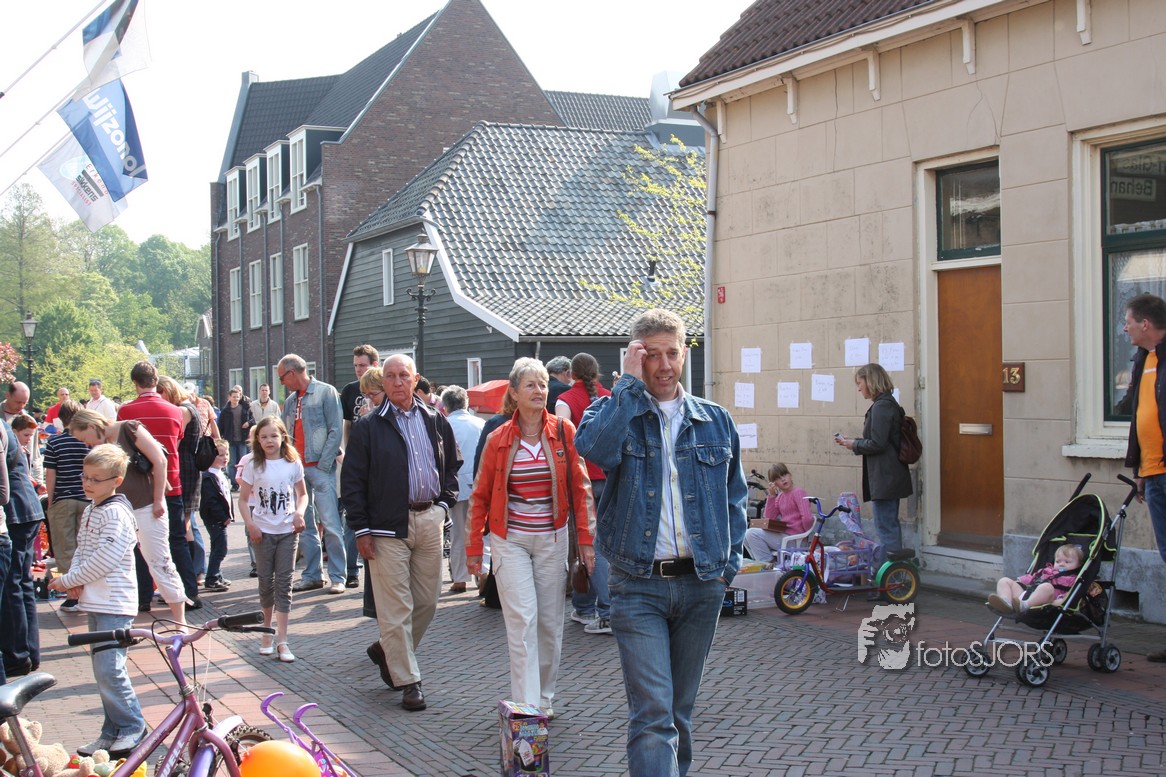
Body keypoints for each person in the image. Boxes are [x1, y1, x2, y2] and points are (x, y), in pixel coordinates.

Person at [574, 308, 747, 777]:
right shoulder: (611, 412)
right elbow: (596, 451)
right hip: (638, 585)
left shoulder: (715, 420)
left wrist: (727, 567)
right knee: (653, 714)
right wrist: (628, 387)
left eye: (673, 353)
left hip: (701, 585)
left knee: (678, 714)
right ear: (635, 356)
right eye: (652, 355)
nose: (665, 365)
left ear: (684, 353)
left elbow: (735, 497)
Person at [467, 358, 596, 718]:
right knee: (523, 621)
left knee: (550, 623)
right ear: (514, 393)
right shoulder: (497, 439)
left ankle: (545, 697)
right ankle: (527, 707)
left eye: (542, 384)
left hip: (552, 539)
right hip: (510, 540)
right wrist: (474, 547)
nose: (539, 390)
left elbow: (581, 488)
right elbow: (480, 495)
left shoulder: (564, 431)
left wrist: (586, 540)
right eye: (530, 385)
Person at [341, 353, 460, 712]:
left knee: (427, 601)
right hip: (384, 527)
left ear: (415, 378)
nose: (396, 382)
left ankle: (386, 650)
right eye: (390, 376)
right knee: (395, 608)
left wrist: (443, 506)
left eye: (403, 375)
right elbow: (352, 481)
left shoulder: (435, 420)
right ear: (383, 381)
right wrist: (361, 529)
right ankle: (409, 681)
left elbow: (452, 467)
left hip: (429, 519)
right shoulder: (368, 427)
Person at [47, 444, 145, 757]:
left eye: (95, 479)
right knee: (103, 671)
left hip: (115, 602)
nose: (87, 483)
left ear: (116, 481)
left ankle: (132, 726)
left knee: (110, 669)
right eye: (85, 477)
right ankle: (111, 731)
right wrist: (74, 579)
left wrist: (69, 581)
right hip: (98, 600)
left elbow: (105, 558)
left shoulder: (116, 513)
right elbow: (83, 550)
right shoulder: (93, 508)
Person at [68, 408, 186, 623]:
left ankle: (180, 621)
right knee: (121, 563)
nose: (87, 444)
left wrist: (159, 499)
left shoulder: (129, 428)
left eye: (85, 438)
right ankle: (121, 615)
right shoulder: (101, 445)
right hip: (117, 511)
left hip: (146, 506)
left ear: (92, 426)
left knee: (160, 562)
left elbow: (160, 460)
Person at [118, 363, 201, 609]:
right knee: (177, 540)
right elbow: (175, 444)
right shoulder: (176, 412)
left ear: (135, 383)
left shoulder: (125, 411)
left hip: (138, 486)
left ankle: (142, 597)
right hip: (170, 483)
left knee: (137, 542)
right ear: (156, 381)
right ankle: (189, 592)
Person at [239, 416, 307, 663]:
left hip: (287, 531)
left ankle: (283, 639)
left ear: (283, 437)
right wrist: (251, 524)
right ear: (257, 440)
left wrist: (299, 513)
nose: (269, 441)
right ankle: (266, 633)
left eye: (274, 436)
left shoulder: (292, 462)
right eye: (264, 436)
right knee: (266, 582)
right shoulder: (253, 465)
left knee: (284, 584)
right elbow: (243, 500)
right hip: (263, 531)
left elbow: (302, 494)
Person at [555, 352, 614, 635]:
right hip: (610, 478)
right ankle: (583, 605)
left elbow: (561, 440)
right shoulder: (610, 397)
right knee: (599, 545)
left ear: (571, 374)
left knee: (590, 545)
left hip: (583, 481)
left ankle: (607, 611)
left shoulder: (565, 401)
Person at [278, 354, 346, 595]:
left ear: (292, 373)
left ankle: (337, 576)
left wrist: (324, 465)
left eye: (282, 378)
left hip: (319, 467)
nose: (282, 383)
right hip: (298, 470)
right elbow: (285, 435)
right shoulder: (290, 401)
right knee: (304, 524)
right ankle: (313, 575)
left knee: (331, 523)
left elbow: (336, 429)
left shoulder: (326, 392)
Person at [1122, 292, 1166, 662]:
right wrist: (1139, 470)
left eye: (1129, 321)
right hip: (1153, 475)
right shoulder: (1143, 359)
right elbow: (1140, 415)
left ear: (1145, 324)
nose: (1125, 328)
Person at [834, 363, 912, 566]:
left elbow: (878, 443)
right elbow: (879, 439)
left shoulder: (882, 406)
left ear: (870, 381)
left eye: (860, 383)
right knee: (887, 525)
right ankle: (892, 573)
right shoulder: (885, 404)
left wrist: (854, 444)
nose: (859, 388)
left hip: (886, 476)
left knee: (886, 527)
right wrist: (854, 442)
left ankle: (890, 575)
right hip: (887, 475)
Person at [2, 416, 45, 679]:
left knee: (13, 585)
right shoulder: (6, 428)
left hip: (17, 512)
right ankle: (27, 653)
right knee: (21, 584)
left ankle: (18, 655)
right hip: (25, 509)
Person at [157, 376, 208, 596]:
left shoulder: (183, 410)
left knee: (183, 525)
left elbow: (173, 443)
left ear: (168, 391)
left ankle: (191, 574)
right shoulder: (188, 407)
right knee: (186, 523)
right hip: (188, 467)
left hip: (183, 468)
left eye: (160, 393)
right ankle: (193, 574)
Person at [43, 399, 89, 613]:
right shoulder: (87, 441)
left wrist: (51, 500)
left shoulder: (55, 442)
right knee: (86, 547)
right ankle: (87, 592)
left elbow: (50, 474)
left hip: (63, 498)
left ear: (61, 419)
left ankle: (73, 595)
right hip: (87, 498)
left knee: (65, 549)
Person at [340, 345, 380, 589]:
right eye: (355, 365)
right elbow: (347, 424)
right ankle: (351, 570)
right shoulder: (349, 390)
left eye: (362, 365)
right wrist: (348, 454)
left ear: (374, 365)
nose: (358, 369)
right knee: (351, 515)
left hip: (377, 462)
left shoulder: (384, 389)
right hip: (356, 459)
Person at [441, 385, 484, 594]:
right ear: (465, 402)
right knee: (480, 532)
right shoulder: (480, 423)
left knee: (458, 533)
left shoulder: (443, 425)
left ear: (446, 406)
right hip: (478, 483)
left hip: (455, 485)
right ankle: (482, 575)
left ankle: (460, 578)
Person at [742, 463, 814, 562]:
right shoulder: (780, 496)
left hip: (795, 539)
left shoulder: (798, 492)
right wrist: (772, 496)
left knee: (752, 534)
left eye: (784, 475)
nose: (783, 479)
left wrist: (804, 535)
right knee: (745, 536)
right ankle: (767, 562)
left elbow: (807, 518)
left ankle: (768, 563)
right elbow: (769, 518)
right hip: (783, 536)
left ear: (790, 475)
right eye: (778, 478)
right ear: (774, 483)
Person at [987, 544, 1085, 615]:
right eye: (1058, 561)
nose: (1061, 564)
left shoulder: (1072, 579)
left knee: (1046, 587)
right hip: (1026, 594)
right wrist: (1019, 582)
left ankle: (1024, 606)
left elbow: (1068, 595)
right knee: (1004, 581)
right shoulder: (1046, 570)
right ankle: (1006, 603)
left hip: (1044, 601)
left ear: (1079, 564)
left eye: (1067, 562)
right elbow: (1032, 578)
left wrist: (1060, 601)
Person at [199, 439, 234, 592]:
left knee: (217, 547)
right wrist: (223, 516)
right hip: (215, 519)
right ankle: (212, 578)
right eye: (220, 455)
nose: (225, 457)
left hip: (220, 518)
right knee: (220, 549)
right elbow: (211, 501)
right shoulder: (208, 477)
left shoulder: (220, 474)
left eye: (226, 454)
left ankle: (217, 575)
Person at [218, 387, 253, 490]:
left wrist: (248, 423)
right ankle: (234, 484)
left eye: (237, 397)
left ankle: (245, 481)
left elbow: (253, 420)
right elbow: (221, 425)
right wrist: (221, 438)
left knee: (243, 462)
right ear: (229, 397)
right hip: (230, 440)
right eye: (234, 397)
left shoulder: (245, 409)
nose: (236, 399)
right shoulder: (225, 411)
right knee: (232, 462)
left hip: (242, 439)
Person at [10, 414, 45, 493]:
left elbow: (26, 476)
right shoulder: (11, 452)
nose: (29, 439)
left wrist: (36, 486)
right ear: (14, 432)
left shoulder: (25, 451)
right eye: (26, 435)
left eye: (31, 435)